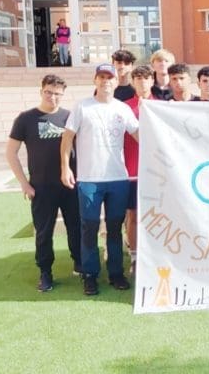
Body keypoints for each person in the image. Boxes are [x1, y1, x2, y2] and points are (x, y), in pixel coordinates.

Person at [61, 64, 141, 296]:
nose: (106, 81)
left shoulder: (123, 109)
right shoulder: (82, 106)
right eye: (101, 77)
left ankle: (116, 273)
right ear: (95, 80)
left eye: (109, 77)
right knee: (90, 227)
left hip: (117, 178)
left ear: (116, 82)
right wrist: (65, 168)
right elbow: (67, 139)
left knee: (115, 228)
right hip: (89, 180)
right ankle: (90, 275)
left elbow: (139, 135)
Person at [5, 75, 81, 292]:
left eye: (57, 94)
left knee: (75, 226)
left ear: (63, 95)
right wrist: (24, 184)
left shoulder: (70, 117)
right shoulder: (26, 119)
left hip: (70, 185)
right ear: (41, 91)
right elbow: (11, 153)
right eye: (48, 92)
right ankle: (45, 272)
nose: (52, 97)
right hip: (41, 187)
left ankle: (80, 263)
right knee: (44, 232)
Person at [122, 65, 154, 270]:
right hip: (132, 172)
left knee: (157, 216)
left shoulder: (163, 106)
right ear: (133, 82)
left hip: (158, 173)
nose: (142, 82)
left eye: (146, 78)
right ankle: (134, 258)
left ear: (152, 81)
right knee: (133, 215)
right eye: (138, 78)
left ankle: (155, 255)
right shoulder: (124, 107)